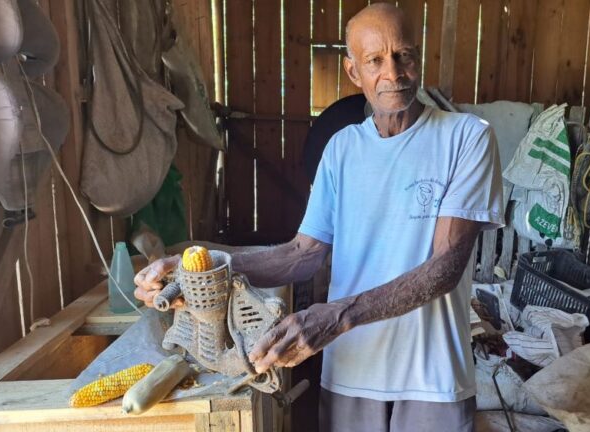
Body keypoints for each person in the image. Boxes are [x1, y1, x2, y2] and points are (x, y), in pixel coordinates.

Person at [134, 3, 503, 431]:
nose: (394, 73)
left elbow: (445, 269)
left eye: (404, 55)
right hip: (351, 373)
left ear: (418, 57)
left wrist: (336, 316)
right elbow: (301, 254)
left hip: (434, 378)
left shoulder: (466, 136)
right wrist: (205, 273)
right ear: (353, 73)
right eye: (375, 61)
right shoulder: (343, 149)